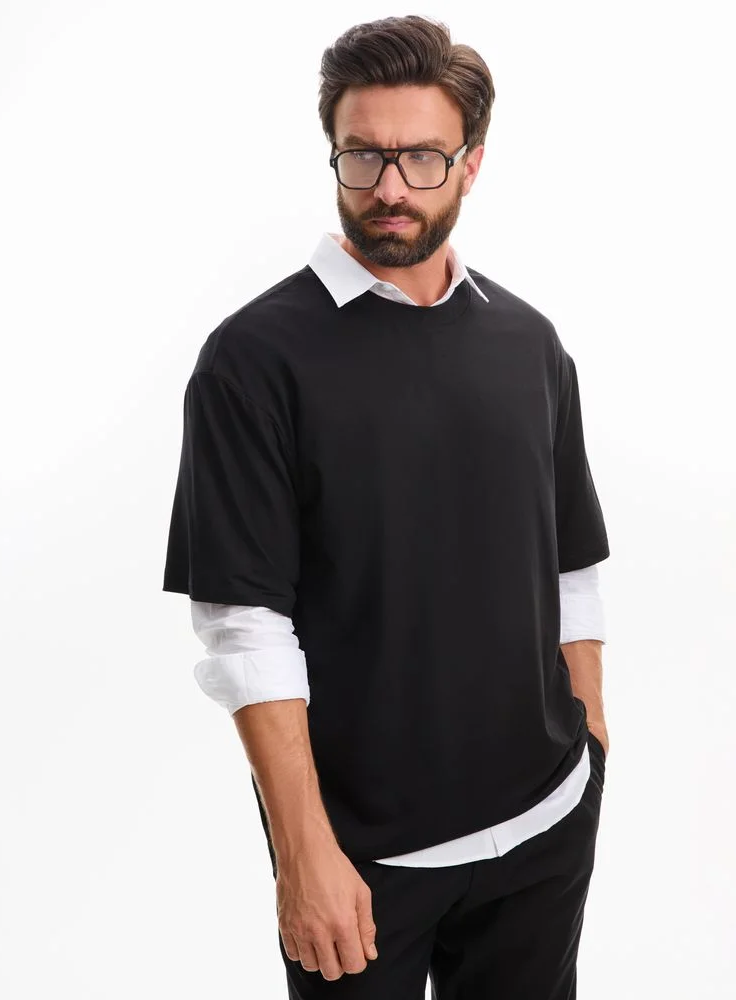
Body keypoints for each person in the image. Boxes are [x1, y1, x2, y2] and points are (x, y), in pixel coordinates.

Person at [162, 14, 611, 999]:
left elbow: (571, 561)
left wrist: (592, 743)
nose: (391, 187)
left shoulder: (530, 342)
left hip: (546, 825)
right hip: (363, 862)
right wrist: (302, 852)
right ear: (334, 153)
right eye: (363, 156)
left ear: (472, 163)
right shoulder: (253, 359)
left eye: (422, 157)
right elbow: (243, 627)